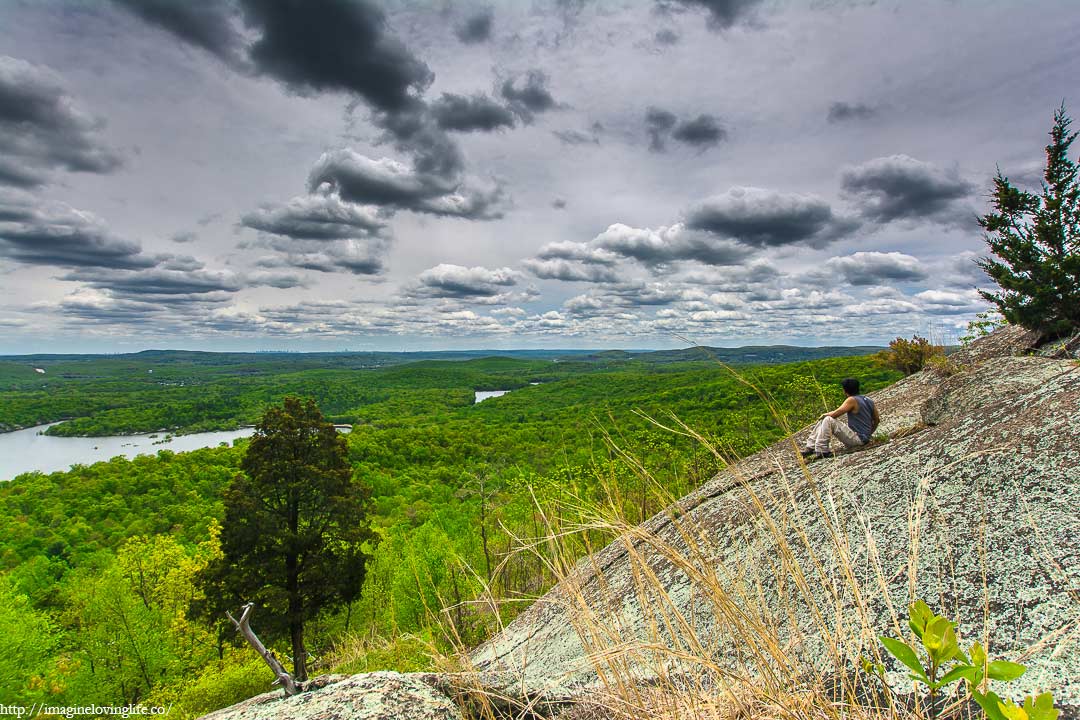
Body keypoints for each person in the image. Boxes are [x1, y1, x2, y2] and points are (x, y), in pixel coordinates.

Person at [801, 378, 879, 458]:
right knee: (826, 418)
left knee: (828, 419)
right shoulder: (868, 400)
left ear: (845, 390)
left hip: (858, 439)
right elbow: (877, 419)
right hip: (864, 438)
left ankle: (821, 450)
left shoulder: (851, 400)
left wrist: (826, 415)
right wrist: (869, 434)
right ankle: (810, 448)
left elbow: (836, 414)